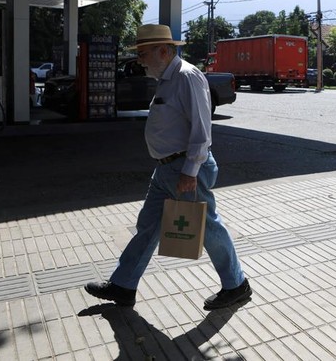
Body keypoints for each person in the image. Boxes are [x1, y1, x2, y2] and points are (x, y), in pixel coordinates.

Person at [84, 24, 251, 310]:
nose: (139, 59)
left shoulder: (187, 77)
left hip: (184, 169)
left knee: (208, 228)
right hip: (167, 169)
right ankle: (124, 285)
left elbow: (202, 128)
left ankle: (236, 285)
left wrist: (189, 171)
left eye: (143, 52)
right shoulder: (167, 78)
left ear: (163, 50)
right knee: (148, 226)